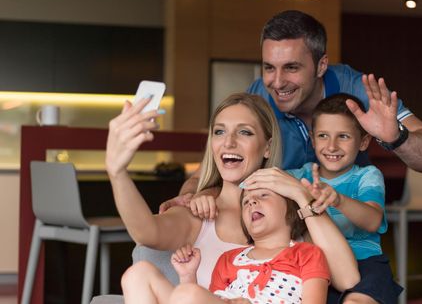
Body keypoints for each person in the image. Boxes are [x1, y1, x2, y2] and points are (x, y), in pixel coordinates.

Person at [160, 10, 422, 216]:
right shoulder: (257, 95)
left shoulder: (357, 90)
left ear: (321, 66)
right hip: (278, 232)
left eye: (292, 68)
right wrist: (189, 195)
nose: (277, 82)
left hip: (345, 231)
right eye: (269, 68)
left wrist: (396, 137)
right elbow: (205, 172)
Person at [105, 92, 359, 294]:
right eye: (219, 132)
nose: (228, 142)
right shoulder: (200, 211)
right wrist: (117, 173)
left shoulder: (287, 210)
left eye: (244, 132)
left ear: (267, 147)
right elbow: (145, 232)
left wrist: (302, 197)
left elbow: (346, 278)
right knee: (138, 274)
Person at [243, 93, 403, 304]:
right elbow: (250, 183)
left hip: (365, 262)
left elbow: (373, 220)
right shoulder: (300, 176)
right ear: (312, 138)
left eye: (343, 136)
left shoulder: (367, 176)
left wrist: (339, 200)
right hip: (314, 265)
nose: (331, 146)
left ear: (363, 142)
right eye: (323, 136)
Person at [121, 188, 330, 304]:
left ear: (290, 209)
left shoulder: (306, 253)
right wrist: (187, 276)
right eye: (246, 201)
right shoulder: (230, 258)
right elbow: (211, 300)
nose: (252, 203)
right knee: (138, 274)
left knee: (188, 295)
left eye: (263, 196)